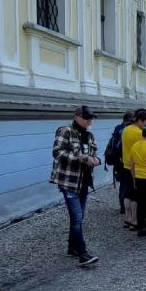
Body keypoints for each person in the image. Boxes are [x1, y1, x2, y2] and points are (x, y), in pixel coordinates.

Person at [50, 105, 102, 267]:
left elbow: (94, 155)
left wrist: (96, 160)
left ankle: (72, 248)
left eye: (91, 117)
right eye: (86, 117)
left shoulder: (90, 135)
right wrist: (82, 158)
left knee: (79, 217)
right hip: (69, 181)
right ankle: (82, 254)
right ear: (76, 117)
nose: (89, 120)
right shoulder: (65, 131)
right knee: (77, 217)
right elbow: (58, 152)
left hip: (84, 182)